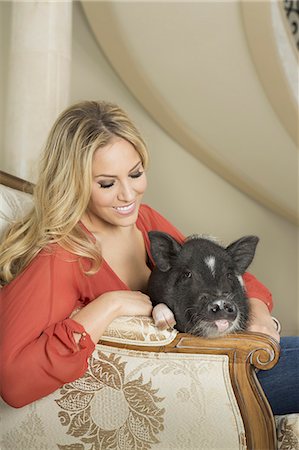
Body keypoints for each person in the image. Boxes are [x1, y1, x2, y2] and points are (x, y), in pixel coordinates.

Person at [0, 101, 298, 414]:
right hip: (200, 388)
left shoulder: (145, 221)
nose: (128, 195)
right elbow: (13, 380)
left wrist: (260, 316)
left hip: (226, 358)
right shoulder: (61, 256)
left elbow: (221, 269)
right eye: (107, 183)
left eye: (135, 174)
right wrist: (110, 305)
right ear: (73, 182)